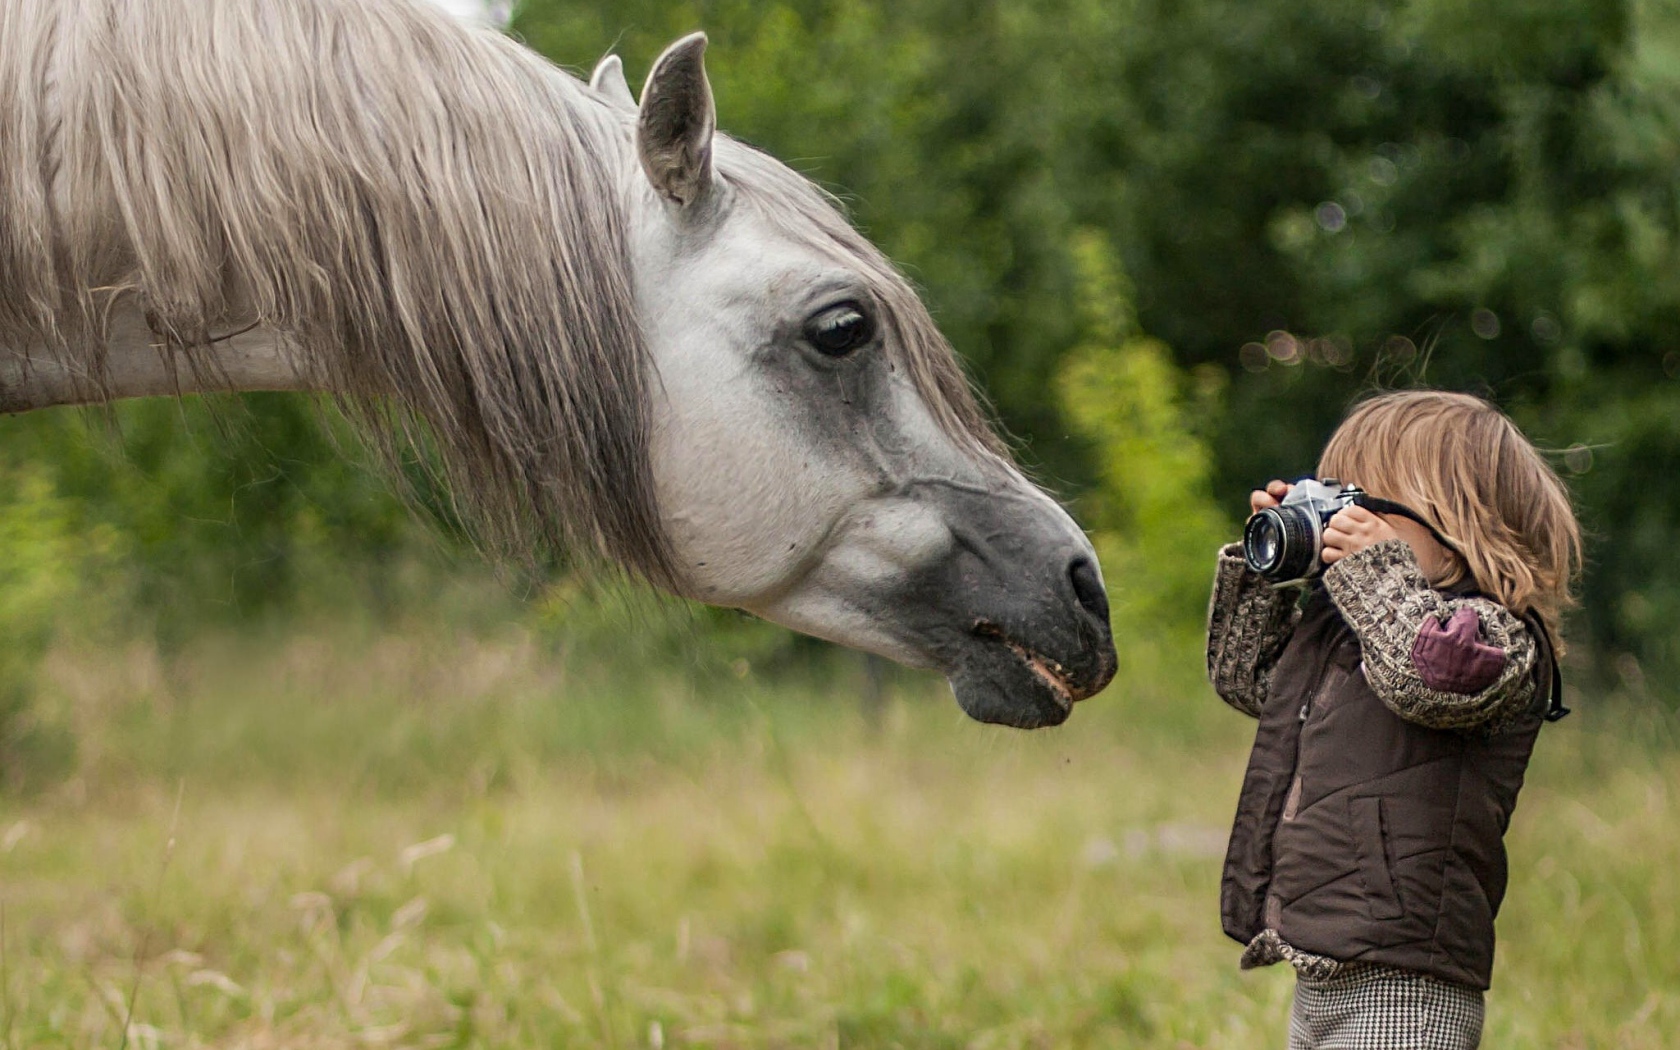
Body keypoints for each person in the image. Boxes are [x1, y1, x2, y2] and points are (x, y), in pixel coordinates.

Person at [1205, 390, 1582, 1049]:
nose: (1346, 521)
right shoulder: (1352, 630)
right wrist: (1268, 573)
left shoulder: (1493, 636)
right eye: (1336, 500)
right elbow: (1251, 682)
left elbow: (1424, 679)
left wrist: (1376, 573)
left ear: (1458, 518)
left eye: (1366, 503)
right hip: (1322, 961)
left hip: (1409, 980)